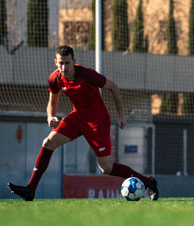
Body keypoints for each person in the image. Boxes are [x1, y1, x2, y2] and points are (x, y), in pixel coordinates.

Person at [8, 45, 159, 201]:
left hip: (97, 121)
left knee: (106, 168)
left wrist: (121, 115)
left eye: (67, 63)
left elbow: (113, 87)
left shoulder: (88, 75)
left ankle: (148, 182)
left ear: (74, 61)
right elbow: (52, 102)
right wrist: (50, 116)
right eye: (60, 63)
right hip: (77, 117)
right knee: (48, 143)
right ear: (55, 62)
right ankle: (30, 189)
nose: (64, 67)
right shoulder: (55, 78)